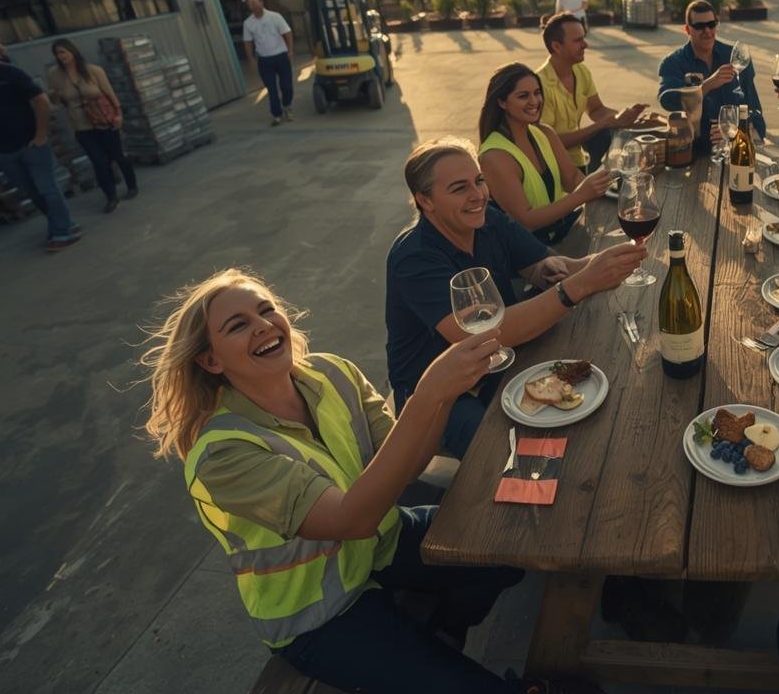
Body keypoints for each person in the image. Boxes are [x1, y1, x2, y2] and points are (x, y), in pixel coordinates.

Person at [141, 269, 598, 694]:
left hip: (381, 542)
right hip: (319, 612)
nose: (262, 325)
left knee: (515, 545)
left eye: (264, 309)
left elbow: (410, 463)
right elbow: (351, 520)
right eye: (237, 326)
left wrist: (449, 392)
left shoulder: (330, 371)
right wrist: (427, 394)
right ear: (211, 361)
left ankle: (440, 629)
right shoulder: (222, 453)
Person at [386, 139, 644, 457]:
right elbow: (476, 335)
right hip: (442, 395)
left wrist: (613, 260)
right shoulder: (413, 258)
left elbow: (557, 268)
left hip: (503, 361)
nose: (477, 195)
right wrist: (577, 286)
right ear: (425, 200)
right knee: (508, 457)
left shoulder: (487, 219)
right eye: (459, 188)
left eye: (479, 181)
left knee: (590, 408)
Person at [0, 28, 80, 252]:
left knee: (47, 188)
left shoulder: (9, 73)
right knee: (32, 192)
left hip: (31, 143)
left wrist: (40, 136)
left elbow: (41, 101)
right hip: (2, 148)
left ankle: (62, 232)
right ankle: (63, 224)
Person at [478, 63, 613, 245]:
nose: (534, 101)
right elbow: (526, 222)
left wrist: (605, 189)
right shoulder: (494, 156)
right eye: (523, 96)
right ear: (502, 102)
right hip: (532, 250)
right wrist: (581, 195)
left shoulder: (545, 133)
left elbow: (572, 178)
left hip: (564, 230)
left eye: (537, 93)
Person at [537, 13, 649, 171]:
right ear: (556, 47)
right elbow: (548, 142)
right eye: (578, 40)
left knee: (622, 138)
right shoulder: (539, 85)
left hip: (578, 155)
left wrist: (624, 117)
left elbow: (596, 110)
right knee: (605, 131)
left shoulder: (581, 71)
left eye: (584, 37)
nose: (585, 45)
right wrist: (604, 124)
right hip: (552, 165)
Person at [658, 0, 766, 156]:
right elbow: (666, 100)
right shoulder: (673, 62)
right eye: (699, 26)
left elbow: (755, 113)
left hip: (734, 151)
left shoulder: (736, 58)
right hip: (693, 154)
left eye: (712, 24)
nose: (707, 30)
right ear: (687, 29)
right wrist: (707, 85)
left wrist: (734, 132)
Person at [45, 39, 138, 213]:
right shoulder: (55, 74)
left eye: (63, 51)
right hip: (81, 126)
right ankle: (111, 196)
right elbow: (56, 101)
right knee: (99, 162)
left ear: (72, 51)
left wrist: (118, 114)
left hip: (104, 121)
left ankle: (132, 185)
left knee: (118, 155)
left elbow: (109, 92)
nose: (61, 56)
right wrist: (53, 95)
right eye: (58, 53)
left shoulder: (93, 71)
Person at [242, 0, 294, 127]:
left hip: (281, 55)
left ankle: (287, 106)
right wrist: (251, 59)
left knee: (286, 85)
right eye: (250, 4)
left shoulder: (274, 17)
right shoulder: (248, 23)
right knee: (271, 89)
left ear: (261, 2)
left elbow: (287, 33)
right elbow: (247, 42)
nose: (253, 5)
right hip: (265, 60)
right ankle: (276, 114)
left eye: (255, 2)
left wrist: (290, 50)